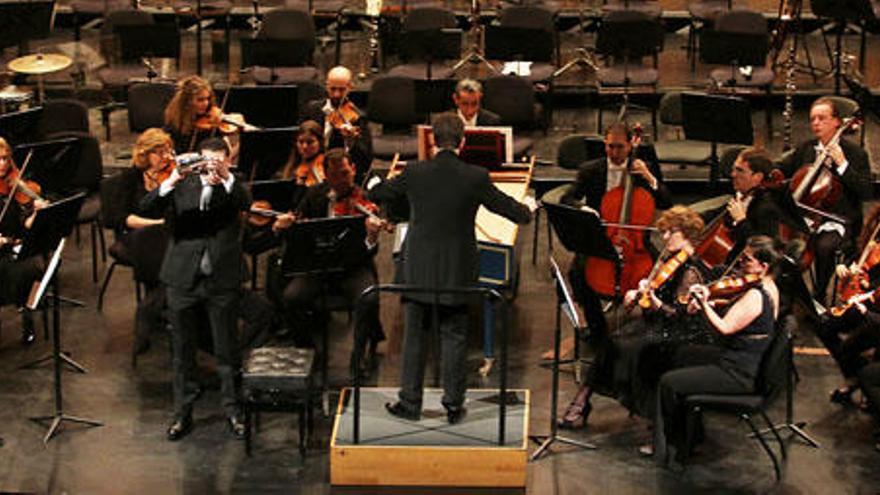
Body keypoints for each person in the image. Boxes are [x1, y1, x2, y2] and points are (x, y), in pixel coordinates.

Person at [369, 114, 535, 423]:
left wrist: (374, 182)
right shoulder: (475, 176)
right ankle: (454, 404)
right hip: (457, 268)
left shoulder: (415, 171)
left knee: (415, 337)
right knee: (454, 336)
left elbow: (377, 194)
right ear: (463, 140)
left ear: (432, 139)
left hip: (418, 266)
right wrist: (528, 209)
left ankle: (410, 402)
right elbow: (510, 210)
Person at [558, 206, 714, 428]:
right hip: (660, 324)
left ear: (687, 234)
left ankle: (636, 411)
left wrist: (654, 300)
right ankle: (581, 403)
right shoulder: (670, 260)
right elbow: (656, 298)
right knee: (611, 341)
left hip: (680, 332)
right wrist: (640, 293)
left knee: (626, 346)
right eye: (664, 232)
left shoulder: (691, 271)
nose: (666, 237)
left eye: (672, 232)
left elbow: (678, 315)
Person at [140, 137, 250, 441]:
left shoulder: (234, 186)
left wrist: (226, 178)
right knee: (182, 351)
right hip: (182, 279)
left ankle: (232, 409)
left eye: (219, 161)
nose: (210, 167)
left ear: (228, 160)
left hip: (220, 279)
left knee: (227, 349)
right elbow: (147, 206)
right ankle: (182, 413)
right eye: (206, 161)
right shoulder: (182, 184)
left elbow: (245, 203)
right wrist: (172, 180)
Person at [654, 235, 780, 462]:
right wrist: (715, 302)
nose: (740, 263)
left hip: (738, 372)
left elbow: (725, 328)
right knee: (683, 355)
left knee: (668, 383)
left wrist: (703, 303)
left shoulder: (755, 295)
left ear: (763, 267)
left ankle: (677, 442)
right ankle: (692, 429)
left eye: (747, 260)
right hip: (743, 361)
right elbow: (744, 315)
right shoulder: (767, 287)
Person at [268, 148, 387, 375]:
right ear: (325, 175)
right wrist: (282, 226)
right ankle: (309, 350)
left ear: (353, 170)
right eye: (334, 175)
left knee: (368, 297)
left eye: (345, 173)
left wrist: (371, 236)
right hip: (317, 267)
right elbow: (298, 229)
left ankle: (359, 354)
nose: (341, 180)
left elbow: (370, 251)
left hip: (353, 266)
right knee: (291, 297)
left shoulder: (364, 198)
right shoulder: (313, 195)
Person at [559, 123, 671, 355]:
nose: (614, 152)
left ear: (631, 145)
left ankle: (648, 331)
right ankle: (597, 328)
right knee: (578, 274)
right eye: (610, 147)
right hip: (601, 237)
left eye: (620, 147)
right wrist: (585, 209)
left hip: (635, 240)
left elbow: (666, 202)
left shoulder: (642, 170)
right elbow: (567, 198)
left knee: (663, 275)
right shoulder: (591, 169)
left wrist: (650, 178)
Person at [778, 96, 871, 304]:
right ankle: (786, 292)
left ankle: (819, 294)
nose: (816, 123)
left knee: (824, 246)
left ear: (837, 122)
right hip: (804, 216)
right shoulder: (807, 148)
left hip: (838, 219)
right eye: (813, 119)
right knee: (781, 242)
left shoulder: (856, 154)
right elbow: (783, 170)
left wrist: (842, 164)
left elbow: (866, 192)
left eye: (822, 118)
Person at [103, 128, 172, 363]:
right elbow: (121, 218)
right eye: (159, 153)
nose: (165, 157)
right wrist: (156, 223)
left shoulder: (172, 177)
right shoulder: (129, 178)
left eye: (168, 151)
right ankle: (159, 305)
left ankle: (150, 308)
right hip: (135, 234)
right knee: (157, 250)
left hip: (165, 234)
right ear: (145, 154)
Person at [814, 205, 880, 407]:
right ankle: (856, 376)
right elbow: (857, 252)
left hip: (874, 307)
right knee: (825, 326)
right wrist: (845, 265)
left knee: (855, 344)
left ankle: (865, 383)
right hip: (863, 299)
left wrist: (869, 290)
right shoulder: (874, 230)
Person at [0, 136, 46, 345]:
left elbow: (25, 225)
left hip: (13, 244)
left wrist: (38, 214)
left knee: (35, 264)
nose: (2, 165)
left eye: (5, 159)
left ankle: (28, 312)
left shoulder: (15, 184)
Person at [300, 66, 372, 181]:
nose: (336, 94)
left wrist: (351, 141)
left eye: (342, 89)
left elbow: (366, 159)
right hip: (314, 167)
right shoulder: (312, 109)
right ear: (326, 86)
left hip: (341, 171)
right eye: (332, 89)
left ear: (350, 88)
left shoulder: (358, 117)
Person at [163, 75, 251, 155]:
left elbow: (230, 150)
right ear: (187, 102)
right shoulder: (174, 124)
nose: (206, 103)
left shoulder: (214, 119)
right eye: (200, 100)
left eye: (208, 99)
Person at [278, 120, 325, 187]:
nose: (304, 146)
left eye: (310, 142)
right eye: (301, 142)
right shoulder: (293, 163)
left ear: (320, 142)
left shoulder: (325, 163)